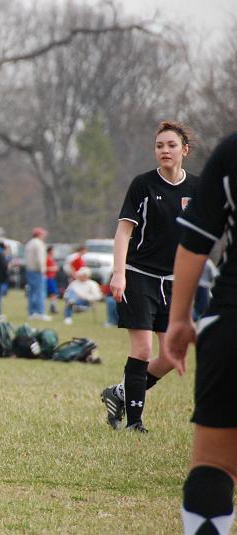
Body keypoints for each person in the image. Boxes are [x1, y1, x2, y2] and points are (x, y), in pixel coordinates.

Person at [100, 120, 199, 433]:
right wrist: (119, 274)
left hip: (175, 282)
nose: (164, 151)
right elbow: (123, 232)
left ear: (184, 150)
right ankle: (134, 423)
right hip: (138, 275)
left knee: (171, 354)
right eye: (159, 146)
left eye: (171, 145)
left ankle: (119, 393)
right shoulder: (143, 185)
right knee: (142, 350)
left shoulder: (197, 189)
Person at [165, 132, 237, 535]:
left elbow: (195, 242)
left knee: (214, 467)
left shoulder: (232, 150)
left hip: (231, 323)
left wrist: (179, 319)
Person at [24, 227, 50, 320]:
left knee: (32, 292)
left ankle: (32, 312)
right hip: (37, 271)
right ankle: (40, 312)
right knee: (39, 292)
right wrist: (42, 269)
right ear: (39, 235)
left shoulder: (29, 243)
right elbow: (40, 259)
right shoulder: (39, 244)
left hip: (29, 270)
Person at [46, 245, 59, 314]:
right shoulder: (47, 258)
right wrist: (54, 268)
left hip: (51, 278)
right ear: (50, 251)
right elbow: (45, 268)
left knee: (53, 294)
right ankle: (53, 307)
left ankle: (52, 307)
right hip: (48, 278)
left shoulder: (51, 258)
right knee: (53, 294)